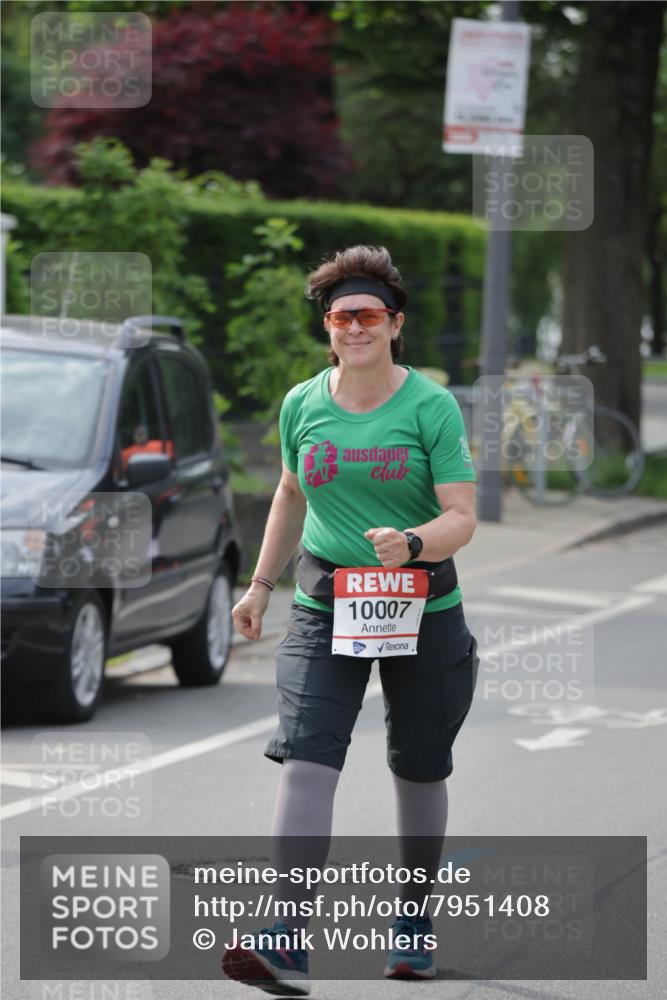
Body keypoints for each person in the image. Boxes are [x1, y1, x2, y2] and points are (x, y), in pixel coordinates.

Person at [222, 245, 479, 995]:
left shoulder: (430, 406)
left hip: (421, 606)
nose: (355, 328)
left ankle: (413, 926)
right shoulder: (302, 403)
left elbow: (462, 516)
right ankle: (286, 935)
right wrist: (259, 586)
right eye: (341, 318)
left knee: (419, 765)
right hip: (325, 603)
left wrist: (413, 543)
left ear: (395, 324)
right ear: (328, 329)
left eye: (369, 315)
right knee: (306, 756)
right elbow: (289, 492)